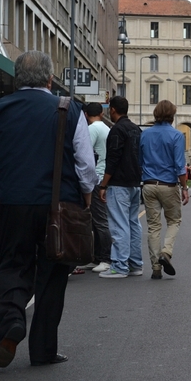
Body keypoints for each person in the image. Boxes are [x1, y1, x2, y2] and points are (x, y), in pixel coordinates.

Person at [0, 50, 97, 367]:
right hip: (60, 205)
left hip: (14, 203)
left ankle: (12, 320)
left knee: (14, 263)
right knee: (54, 274)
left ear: (16, 79)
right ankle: (42, 351)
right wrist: (87, 197)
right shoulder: (69, 108)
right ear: (50, 79)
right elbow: (85, 165)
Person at [139, 100, 189, 280]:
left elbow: (140, 161)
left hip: (149, 184)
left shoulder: (145, 135)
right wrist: (184, 187)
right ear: (172, 115)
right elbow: (180, 166)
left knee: (153, 226)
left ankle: (155, 269)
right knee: (174, 220)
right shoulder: (176, 136)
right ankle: (166, 252)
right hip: (168, 185)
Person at [97, 96, 144, 278]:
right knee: (133, 223)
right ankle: (135, 264)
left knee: (119, 224)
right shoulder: (136, 129)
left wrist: (103, 184)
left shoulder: (117, 130)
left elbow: (113, 159)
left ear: (113, 109)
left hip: (119, 183)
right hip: (134, 183)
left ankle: (119, 265)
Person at [82, 102, 112, 274]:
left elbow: (85, 153)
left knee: (99, 220)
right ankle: (98, 257)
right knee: (97, 220)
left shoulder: (92, 129)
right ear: (101, 113)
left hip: (96, 177)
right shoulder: (105, 128)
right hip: (102, 176)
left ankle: (106, 258)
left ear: (86, 114)